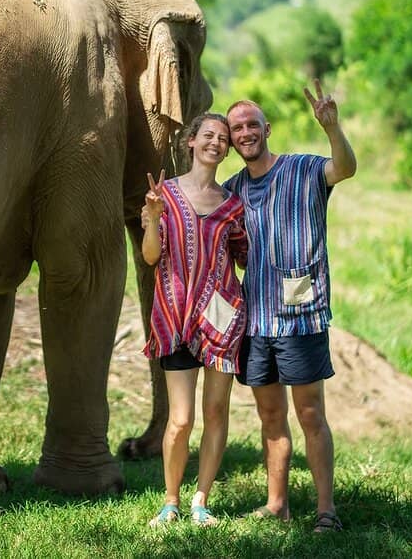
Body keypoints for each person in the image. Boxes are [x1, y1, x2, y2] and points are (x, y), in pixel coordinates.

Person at [224, 79, 356, 532]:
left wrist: (332, 129)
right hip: (256, 321)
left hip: (300, 317)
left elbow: (345, 169)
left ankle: (326, 511)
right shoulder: (231, 190)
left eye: (252, 124)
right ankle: (277, 503)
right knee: (270, 416)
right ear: (230, 138)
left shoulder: (302, 169)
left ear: (268, 128)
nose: (245, 132)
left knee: (310, 413)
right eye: (236, 127)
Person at [142, 113, 248, 528]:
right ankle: (170, 500)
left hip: (222, 321)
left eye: (223, 139)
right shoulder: (163, 195)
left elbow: (243, 257)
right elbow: (152, 256)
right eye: (209, 136)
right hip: (174, 318)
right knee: (181, 419)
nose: (216, 143)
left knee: (216, 411)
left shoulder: (233, 204)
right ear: (191, 142)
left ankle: (200, 500)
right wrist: (151, 217)